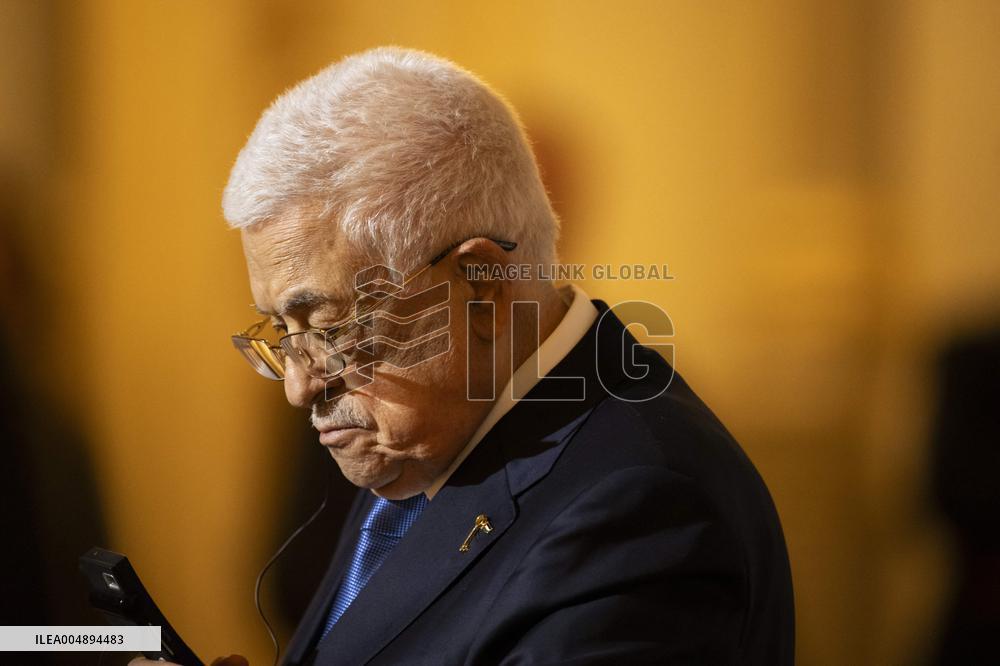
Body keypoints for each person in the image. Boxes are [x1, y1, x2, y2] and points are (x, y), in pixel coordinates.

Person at [134, 46, 793, 666]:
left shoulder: (640, 507)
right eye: (282, 331)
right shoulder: (432, 430)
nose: (299, 387)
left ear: (481, 287)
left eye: (329, 328)